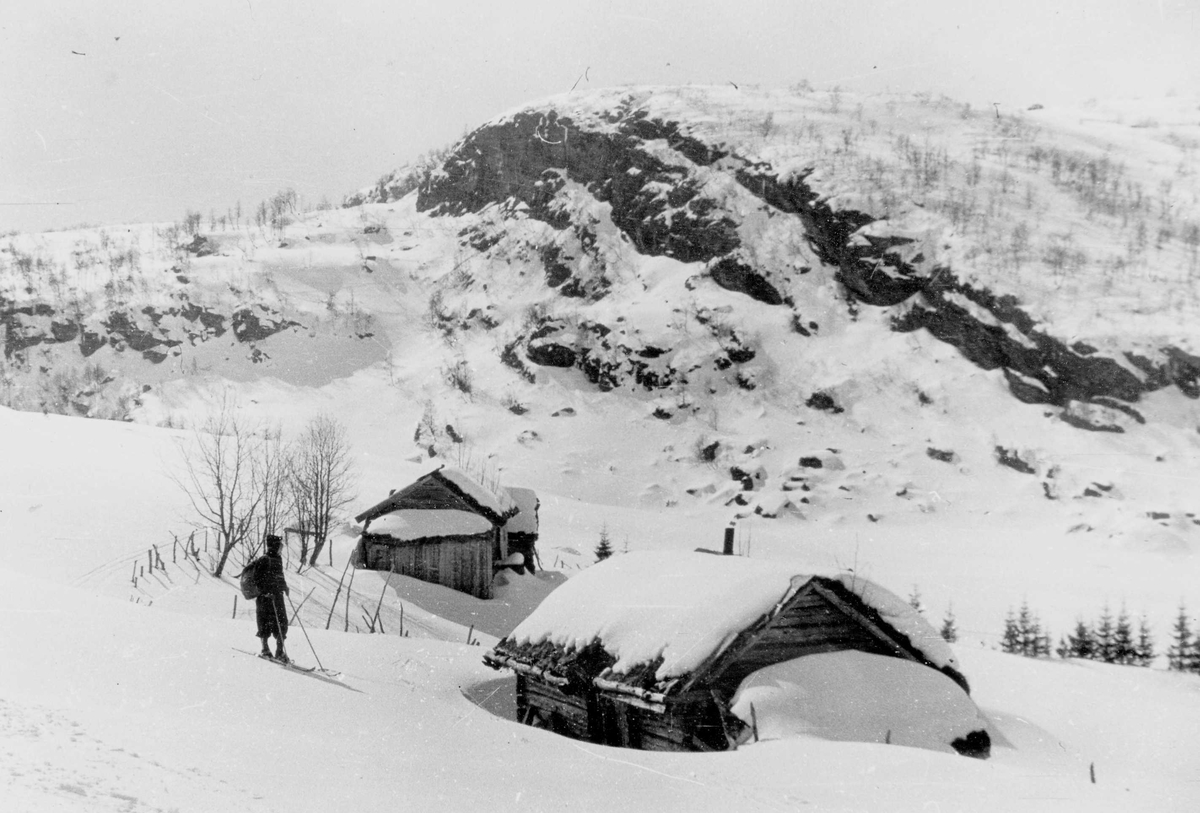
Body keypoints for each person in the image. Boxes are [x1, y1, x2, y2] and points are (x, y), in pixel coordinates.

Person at [256, 534, 291, 662]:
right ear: (274, 546)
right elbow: (257, 579)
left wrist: (285, 587)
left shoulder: (278, 560)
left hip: (277, 597)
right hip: (265, 598)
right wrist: (265, 592)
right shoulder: (263, 559)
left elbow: (280, 576)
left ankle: (279, 651)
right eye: (279, 546)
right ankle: (265, 649)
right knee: (264, 623)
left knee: (282, 623)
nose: (281, 548)